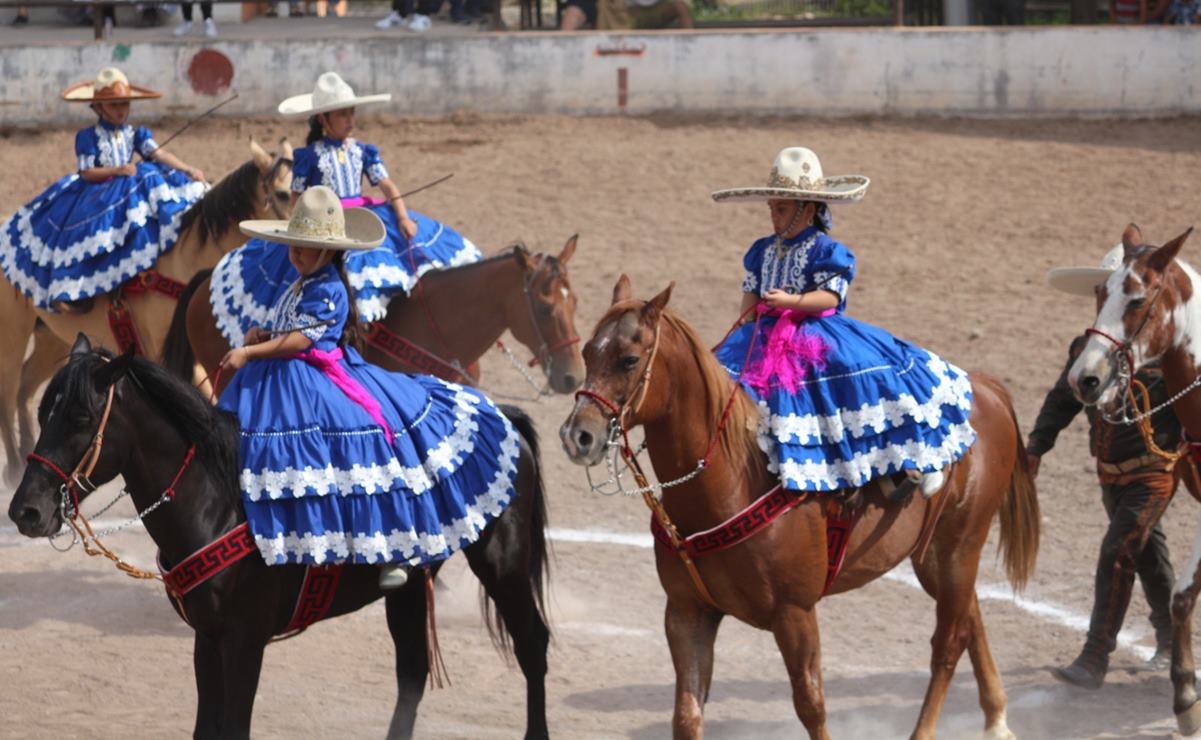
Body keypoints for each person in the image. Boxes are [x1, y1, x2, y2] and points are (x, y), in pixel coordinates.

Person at [218, 186, 520, 588]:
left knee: (365, 439)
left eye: (305, 248)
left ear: (329, 252)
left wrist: (251, 354)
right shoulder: (300, 284)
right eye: (294, 246)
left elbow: (304, 340)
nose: (297, 254)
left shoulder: (330, 288)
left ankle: (397, 545)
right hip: (284, 375)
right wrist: (264, 333)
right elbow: (290, 332)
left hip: (316, 375)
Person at [711, 147, 975, 496]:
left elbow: (831, 297)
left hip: (815, 332)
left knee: (855, 372)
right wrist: (746, 324)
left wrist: (791, 302)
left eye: (782, 208)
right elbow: (751, 292)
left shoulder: (825, 250)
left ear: (806, 210)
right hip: (764, 333)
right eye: (772, 207)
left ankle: (907, 457)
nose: (774, 215)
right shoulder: (763, 249)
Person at [210, 71, 481, 347]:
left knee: (386, 267)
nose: (350, 120)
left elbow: (386, 185)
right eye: (343, 115)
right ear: (323, 119)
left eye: (352, 113)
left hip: (362, 216)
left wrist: (401, 216)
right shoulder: (309, 156)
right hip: (325, 223)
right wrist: (302, 226)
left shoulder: (363, 151)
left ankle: (376, 330)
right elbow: (297, 197)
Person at [1030, 246, 1180, 689]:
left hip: (1154, 473)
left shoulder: (1166, 351)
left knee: (1117, 552)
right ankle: (1172, 639)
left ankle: (1095, 657)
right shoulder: (1087, 349)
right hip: (1110, 475)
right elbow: (1063, 398)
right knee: (1148, 555)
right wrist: (1037, 445)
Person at [0, 67, 207, 314]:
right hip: (95, 193)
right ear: (98, 107)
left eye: (125, 103)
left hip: (125, 189)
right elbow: (86, 172)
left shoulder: (135, 133)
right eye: (114, 104)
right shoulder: (87, 136)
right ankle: (77, 290)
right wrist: (118, 170)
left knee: (149, 192)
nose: (121, 110)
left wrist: (188, 169)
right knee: (92, 233)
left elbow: (159, 153)